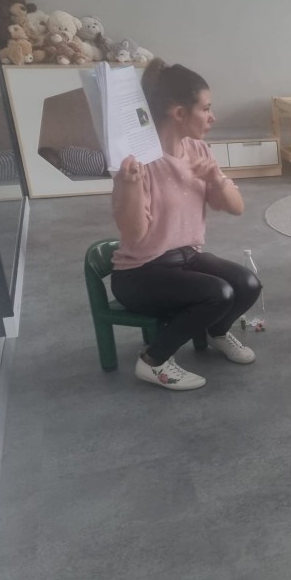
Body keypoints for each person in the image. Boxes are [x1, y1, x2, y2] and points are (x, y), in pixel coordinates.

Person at [110, 59, 261, 391]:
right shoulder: (137, 162)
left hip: (186, 257)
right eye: (205, 109)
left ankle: (217, 332)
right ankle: (153, 361)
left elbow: (236, 208)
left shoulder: (198, 149)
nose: (212, 117)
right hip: (140, 273)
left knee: (247, 284)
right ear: (179, 113)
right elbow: (134, 235)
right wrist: (131, 186)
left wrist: (215, 178)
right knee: (218, 294)